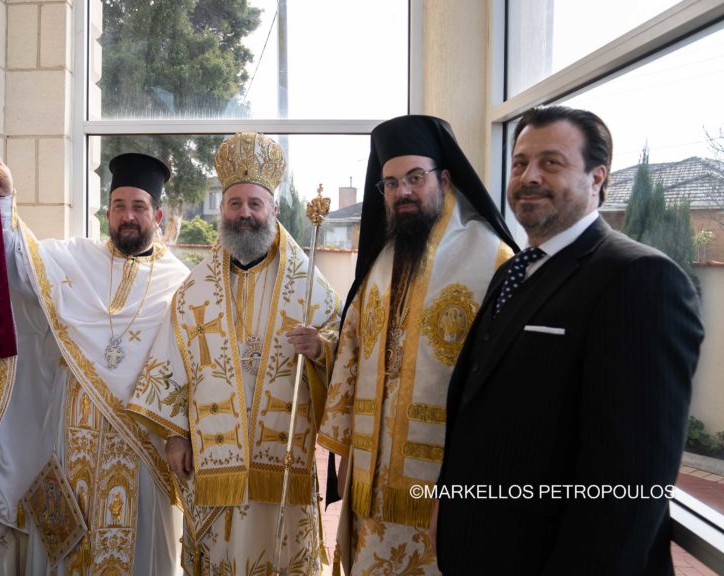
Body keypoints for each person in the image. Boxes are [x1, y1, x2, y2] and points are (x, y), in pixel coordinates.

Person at [436, 105, 704, 574]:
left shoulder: (641, 278)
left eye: (551, 162)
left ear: (597, 177)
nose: (529, 177)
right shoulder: (514, 271)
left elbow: (630, 484)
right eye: (520, 163)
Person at [126, 132, 342, 575]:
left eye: (255, 204)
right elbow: (170, 365)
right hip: (213, 462)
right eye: (235, 203)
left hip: (282, 464)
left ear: (273, 210)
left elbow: (347, 350)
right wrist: (176, 435)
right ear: (222, 210)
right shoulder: (193, 292)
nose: (245, 213)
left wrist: (321, 348)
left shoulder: (308, 287)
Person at [0, 150, 191, 575]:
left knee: (140, 545)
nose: (128, 216)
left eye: (139, 206)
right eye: (119, 206)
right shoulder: (76, 258)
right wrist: (5, 196)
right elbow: (15, 260)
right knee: (68, 543)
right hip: (71, 431)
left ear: (157, 215)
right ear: (108, 213)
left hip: (142, 443)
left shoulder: (179, 281)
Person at [316, 115, 518, 575]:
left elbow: (503, 385)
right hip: (370, 480)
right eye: (390, 183)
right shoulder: (381, 262)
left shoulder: (491, 259)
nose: (402, 191)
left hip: (443, 485)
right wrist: (346, 452)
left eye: (414, 178)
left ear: (443, 180)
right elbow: (353, 351)